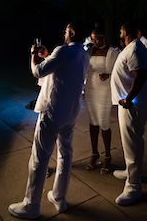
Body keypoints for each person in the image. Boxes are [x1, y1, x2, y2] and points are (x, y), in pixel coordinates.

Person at [8, 23, 89, 219]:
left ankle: (31, 205)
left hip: (53, 113)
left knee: (39, 158)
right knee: (65, 155)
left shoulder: (62, 50)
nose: (64, 32)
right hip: (71, 113)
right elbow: (62, 70)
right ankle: (59, 197)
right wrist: (48, 56)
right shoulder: (84, 54)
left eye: (67, 29)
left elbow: (38, 72)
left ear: (73, 32)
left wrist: (34, 55)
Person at [110, 22, 147, 206]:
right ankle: (131, 172)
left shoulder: (134, 48)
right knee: (134, 141)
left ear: (125, 32)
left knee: (131, 144)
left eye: (120, 30)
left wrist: (128, 98)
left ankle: (133, 187)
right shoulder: (134, 47)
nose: (119, 33)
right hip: (131, 103)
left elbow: (140, 75)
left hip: (131, 106)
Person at [84, 27, 120, 174]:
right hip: (90, 89)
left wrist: (109, 75)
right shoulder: (89, 51)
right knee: (93, 122)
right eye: (92, 39)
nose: (94, 41)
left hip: (105, 90)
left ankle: (108, 155)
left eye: (96, 39)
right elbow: (85, 68)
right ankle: (94, 153)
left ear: (103, 37)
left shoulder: (112, 52)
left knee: (104, 122)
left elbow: (118, 71)